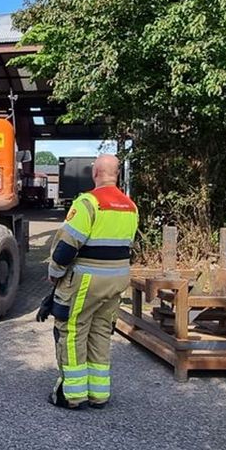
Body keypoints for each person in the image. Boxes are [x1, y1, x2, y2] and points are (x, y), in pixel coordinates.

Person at [46, 154, 138, 409]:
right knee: (100, 332)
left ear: (95, 173)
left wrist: (55, 273)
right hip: (117, 280)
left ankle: (73, 395)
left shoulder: (87, 203)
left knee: (73, 330)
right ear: (116, 174)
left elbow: (66, 247)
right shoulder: (131, 206)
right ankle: (99, 395)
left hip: (87, 280)